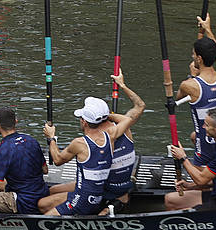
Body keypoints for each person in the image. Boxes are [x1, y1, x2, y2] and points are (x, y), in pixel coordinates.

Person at [38, 74, 143, 215]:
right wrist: (122, 85)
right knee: (52, 190)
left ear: (85, 122)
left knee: (44, 204)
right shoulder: (120, 129)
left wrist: (51, 138)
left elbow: (57, 160)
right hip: (120, 185)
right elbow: (140, 106)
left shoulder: (85, 142)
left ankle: (107, 208)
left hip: (103, 189)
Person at [164, 107, 216, 210]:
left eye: (207, 125)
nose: (203, 127)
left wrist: (182, 158)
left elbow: (201, 180)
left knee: (187, 211)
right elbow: (211, 178)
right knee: (170, 199)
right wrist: (190, 186)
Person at [177, 15, 216, 167]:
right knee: (194, 136)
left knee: (202, 185)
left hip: (205, 145)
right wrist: (208, 29)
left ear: (199, 59)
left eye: (193, 54)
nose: (192, 56)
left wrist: (191, 76)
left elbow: (177, 98)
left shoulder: (190, 85)